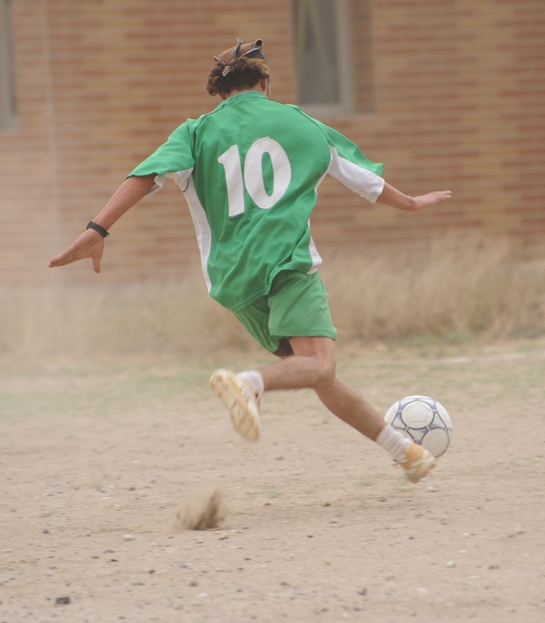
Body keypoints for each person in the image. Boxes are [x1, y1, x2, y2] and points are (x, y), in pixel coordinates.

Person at [49, 39, 451, 483]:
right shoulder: (300, 122)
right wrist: (411, 203)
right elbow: (364, 180)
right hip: (285, 264)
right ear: (265, 83)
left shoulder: (195, 132)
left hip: (231, 280)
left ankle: (405, 454)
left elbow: (143, 177)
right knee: (319, 364)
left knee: (312, 370)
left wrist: (96, 230)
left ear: (221, 92)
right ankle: (248, 383)